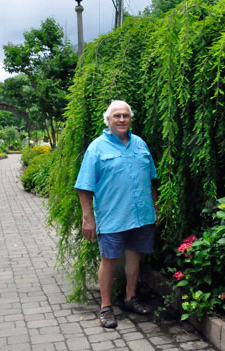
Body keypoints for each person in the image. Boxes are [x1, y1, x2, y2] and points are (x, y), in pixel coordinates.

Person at [75, 100, 159, 329]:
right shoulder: (97, 148)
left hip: (142, 215)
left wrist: (155, 207)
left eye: (125, 115)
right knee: (110, 260)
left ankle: (130, 299)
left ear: (130, 118)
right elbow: (84, 186)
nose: (121, 120)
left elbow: (152, 179)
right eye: (117, 116)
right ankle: (106, 307)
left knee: (134, 256)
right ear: (108, 120)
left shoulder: (140, 144)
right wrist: (87, 218)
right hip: (113, 216)